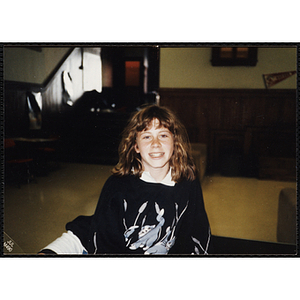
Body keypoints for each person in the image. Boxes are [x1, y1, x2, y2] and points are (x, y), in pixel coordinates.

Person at [39, 104, 211, 255]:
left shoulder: (188, 182)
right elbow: (105, 242)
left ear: (175, 142)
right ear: (136, 146)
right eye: (146, 136)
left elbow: (196, 234)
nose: (156, 143)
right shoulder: (117, 185)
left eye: (163, 135)